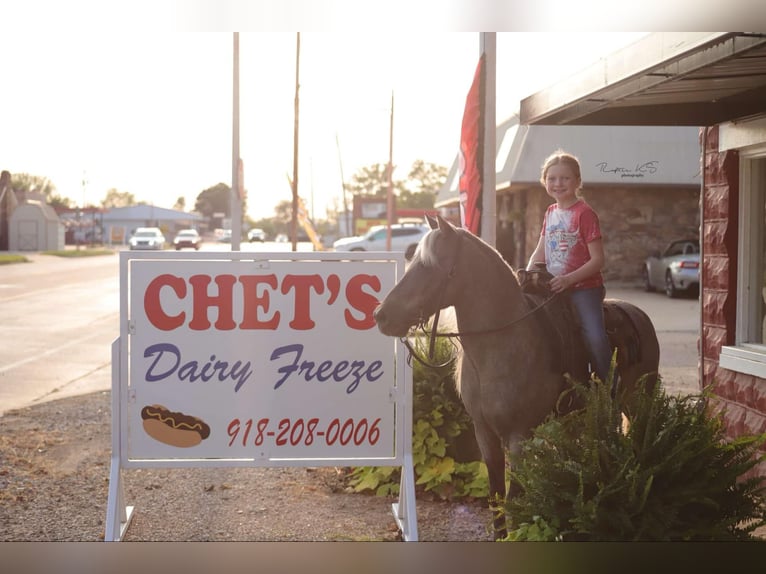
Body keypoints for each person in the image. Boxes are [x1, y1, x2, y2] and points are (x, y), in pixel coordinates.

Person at [526, 149, 613, 385]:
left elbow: (598, 261)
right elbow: (541, 249)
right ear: (544, 182)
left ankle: (608, 386)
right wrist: (527, 272)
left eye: (565, 178)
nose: (558, 183)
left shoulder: (584, 214)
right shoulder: (550, 212)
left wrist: (569, 279)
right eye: (552, 178)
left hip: (584, 288)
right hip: (553, 286)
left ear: (577, 181)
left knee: (594, 336)